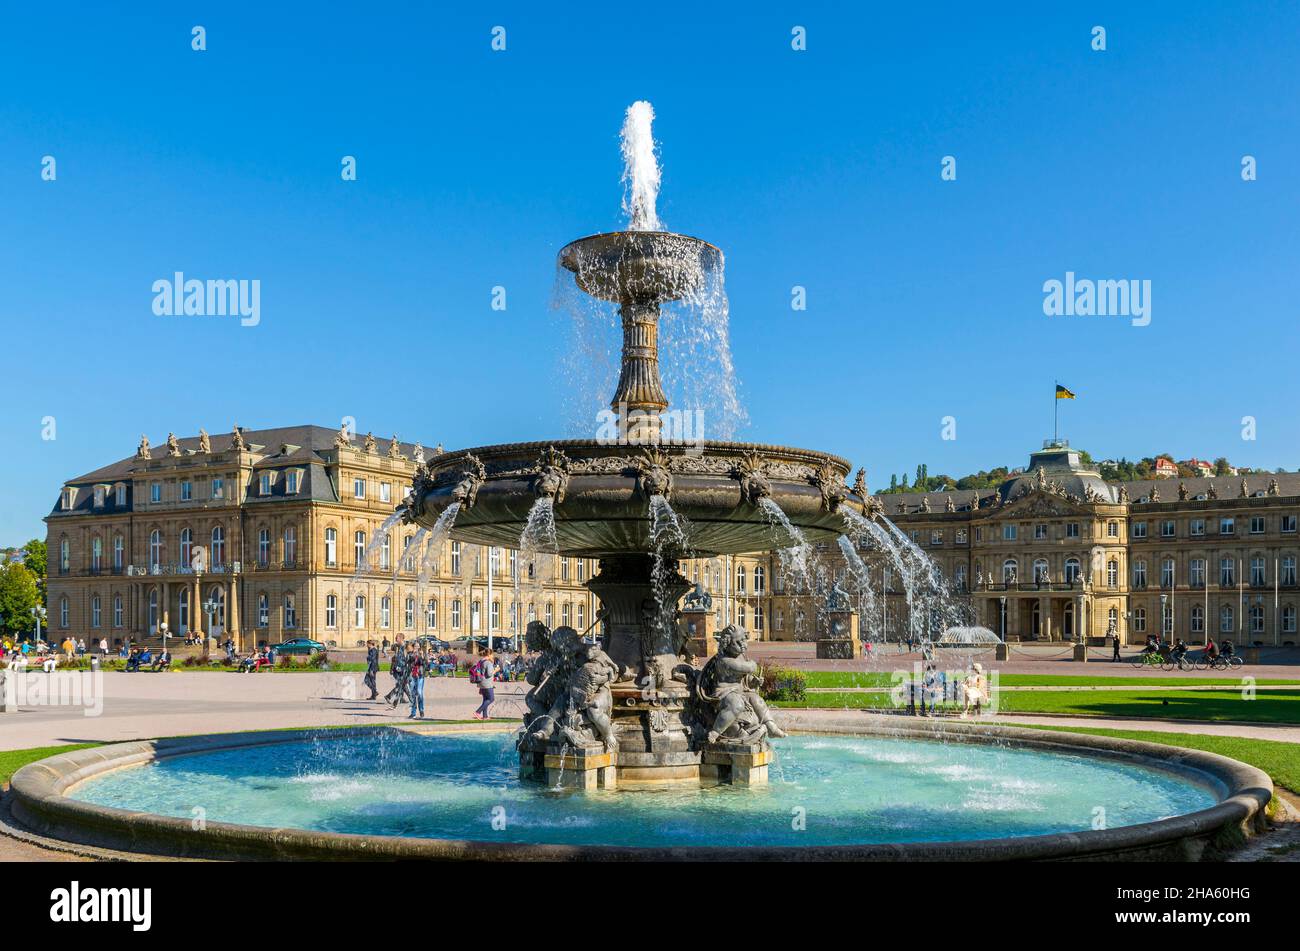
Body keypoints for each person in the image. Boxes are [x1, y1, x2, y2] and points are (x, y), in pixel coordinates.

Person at [472, 649, 498, 720]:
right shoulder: (488, 662)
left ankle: (485, 716)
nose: (493, 656)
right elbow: (489, 674)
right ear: (489, 655)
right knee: (491, 699)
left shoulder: (481, 661)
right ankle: (477, 712)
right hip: (487, 683)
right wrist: (495, 670)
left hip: (481, 682)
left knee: (485, 699)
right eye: (492, 654)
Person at [407, 646, 427, 719]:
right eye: (415, 647)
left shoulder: (423, 655)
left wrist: (421, 656)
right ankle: (413, 712)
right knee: (412, 694)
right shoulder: (411, 655)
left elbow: (424, 664)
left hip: (420, 676)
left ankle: (421, 709)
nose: (416, 648)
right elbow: (408, 663)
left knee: (419, 692)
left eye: (418, 646)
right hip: (413, 676)